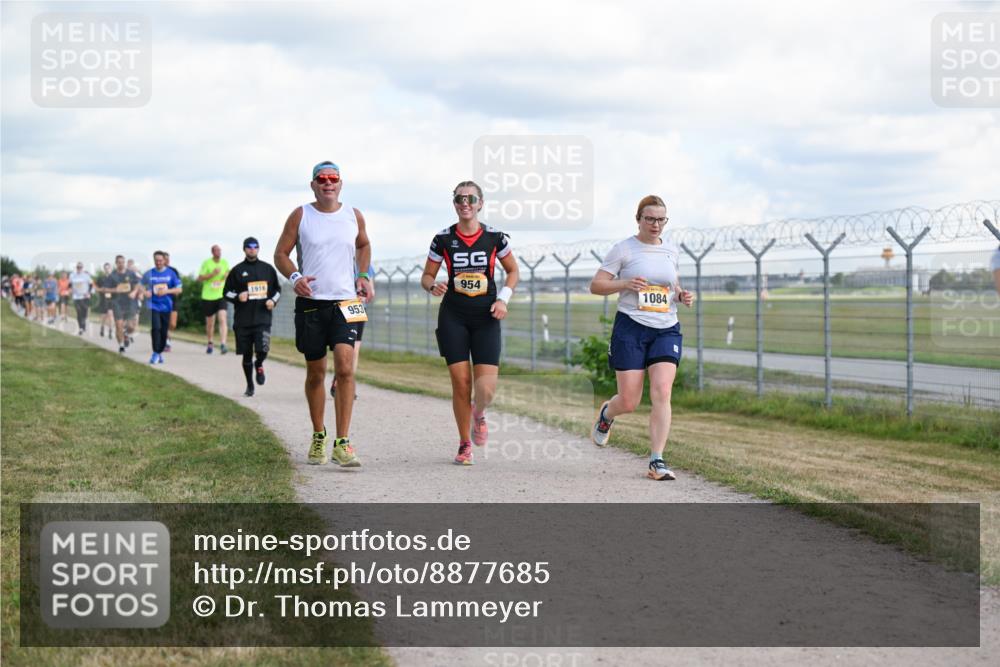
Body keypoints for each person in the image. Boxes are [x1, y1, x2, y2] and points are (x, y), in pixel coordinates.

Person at [589, 195, 694, 481]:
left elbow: (672, 286)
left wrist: (682, 295)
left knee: (662, 391)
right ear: (639, 219)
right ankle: (607, 414)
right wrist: (625, 283)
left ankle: (656, 460)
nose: (656, 224)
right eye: (650, 219)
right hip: (631, 327)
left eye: (661, 219)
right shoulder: (624, 249)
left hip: (666, 327)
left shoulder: (671, 251)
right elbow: (596, 285)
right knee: (630, 401)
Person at [274, 161, 371, 467]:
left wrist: (364, 274)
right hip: (312, 303)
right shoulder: (301, 215)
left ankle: (343, 442)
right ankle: (319, 434)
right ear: (313, 184)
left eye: (333, 178)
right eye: (322, 179)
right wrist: (294, 278)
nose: (328, 183)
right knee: (316, 372)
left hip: (346, 302)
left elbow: (364, 244)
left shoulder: (353, 215)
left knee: (345, 368)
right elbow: (281, 254)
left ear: (341, 183)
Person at [419, 181, 519, 466]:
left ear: (480, 203)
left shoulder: (495, 238)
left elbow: (513, 271)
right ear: (454, 203)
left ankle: (480, 413)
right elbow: (426, 276)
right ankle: (464, 444)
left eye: (470, 198)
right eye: (460, 198)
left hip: (486, 316)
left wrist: (503, 299)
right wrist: (431, 286)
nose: (465, 203)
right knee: (461, 383)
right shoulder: (442, 239)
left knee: (486, 388)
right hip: (453, 316)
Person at [224, 237, 281, 396]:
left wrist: (272, 301)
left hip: (263, 318)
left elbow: (277, 290)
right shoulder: (237, 270)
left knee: (263, 348)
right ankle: (250, 386)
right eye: (249, 247)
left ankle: (260, 363)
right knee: (246, 354)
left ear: (258, 249)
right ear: (244, 249)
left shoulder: (268, 269)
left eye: (255, 246)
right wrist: (237, 296)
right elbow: (226, 292)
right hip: (243, 320)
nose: (252, 249)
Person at [330, 261, 375, 400]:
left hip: (357, 308)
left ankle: (345, 383)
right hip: (340, 305)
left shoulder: (366, 265)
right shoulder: (340, 261)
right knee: (343, 349)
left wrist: (365, 294)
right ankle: (340, 379)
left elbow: (371, 290)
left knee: (354, 350)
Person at [141, 251, 182, 364]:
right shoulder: (149, 273)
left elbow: (179, 289)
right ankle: (155, 352)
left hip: (166, 306)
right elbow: (139, 285)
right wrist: (145, 292)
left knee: (164, 331)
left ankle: (159, 353)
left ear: (164, 260)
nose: (158, 263)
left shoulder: (171, 273)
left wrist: (166, 291)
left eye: (160, 260)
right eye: (156, 261)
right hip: (153, 305)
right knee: (156, 328)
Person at [198, 244, 231, 354]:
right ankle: (210, 342)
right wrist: (212, 274)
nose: (218, 252)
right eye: (216, 250)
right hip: (208, 296)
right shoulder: (207, 263)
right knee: (210, 322)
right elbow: (200, 278)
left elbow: (228, 273)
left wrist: (227, 275)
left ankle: (223, 344)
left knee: (222, 318)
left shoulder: (224, 262)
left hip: (221, 295)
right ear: (212, 252)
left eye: (219, 250)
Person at [104, 255, 141, 353]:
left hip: (130, 303)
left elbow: (138, 284)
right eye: (119, 262)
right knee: (119, 325)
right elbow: (106, 289)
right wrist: (115, 290)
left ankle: (126, 334)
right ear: (116, 263)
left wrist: (134, 292)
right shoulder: (112, 276)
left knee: (131, 327)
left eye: (123, 262)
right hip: (117, 303)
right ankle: (121, 346)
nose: (121, 264)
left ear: (124, 263)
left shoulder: (131, 273)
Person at [69, 262, 96, 335]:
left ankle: (83, 324)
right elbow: (70, 284)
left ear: (82, 268)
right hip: (76, 296)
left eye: (80, 267)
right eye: (78, 267)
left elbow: (91, 285)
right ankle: (80, 328)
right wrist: (70, 289)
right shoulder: (72, 275)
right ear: (76, 268)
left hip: (85, 296)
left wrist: (89, 292)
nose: (79, 269)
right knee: (78, 312)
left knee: (84, 312)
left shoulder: (86, 276)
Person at [163, 252, 182, 352]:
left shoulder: (173, 271)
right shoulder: (157, 272)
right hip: (161, 301)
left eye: (168, 259)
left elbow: (178, 285)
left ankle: (166, 336)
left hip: (172, 299)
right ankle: (167, 342)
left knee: (173, 324)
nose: (167, 261)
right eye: (165, 259)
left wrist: (176, 290)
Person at [97, 263, 115, 339]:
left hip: (112, 299)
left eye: (108, 268)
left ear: (111, 269)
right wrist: (102, 290)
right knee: (104, 316)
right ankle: (102, 327)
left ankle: (111, 331)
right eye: (106, 268)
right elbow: (97, 288)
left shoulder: (114, 278)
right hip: (103, 299)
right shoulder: (101, 278)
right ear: (104, 269)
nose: (107, 269)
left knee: (111, 314)